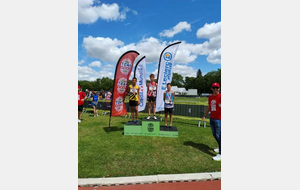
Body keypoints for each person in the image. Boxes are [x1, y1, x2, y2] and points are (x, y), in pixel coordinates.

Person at [202, 82, 221, 161]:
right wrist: (204, 115)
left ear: (219, 89)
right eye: (214, 88)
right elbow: (209, 107)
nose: (215, 89)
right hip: (212, 118)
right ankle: (220, 147)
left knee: (219, 135)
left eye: (217, 88)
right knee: (214, 134)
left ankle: (221, 153)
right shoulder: (210, 97)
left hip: (219, 119)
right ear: (212, 89)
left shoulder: (221, 97)